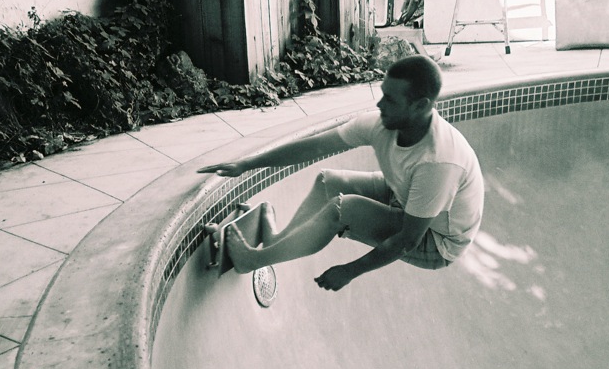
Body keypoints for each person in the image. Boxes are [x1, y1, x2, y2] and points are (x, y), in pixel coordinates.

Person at [197, 55, 484, 292]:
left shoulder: (438, 163)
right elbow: (314, 147)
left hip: (436, 239)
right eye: (382, 94)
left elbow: (407, 241)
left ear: (421, 105)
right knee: (328, 182)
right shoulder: (381, 124)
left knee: (343, 210)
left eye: (390, 100)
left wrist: (349, 271)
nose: (379, 105)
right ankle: (275, 243)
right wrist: (247, 164)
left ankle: (252, 260)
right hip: (406, 195)